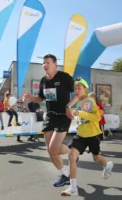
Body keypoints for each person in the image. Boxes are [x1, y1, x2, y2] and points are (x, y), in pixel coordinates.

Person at [23, 54, 78, 187]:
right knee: (51, 151)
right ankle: (65, 174)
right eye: (43, 63)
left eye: (48, 62)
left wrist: (68, 106)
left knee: (53, 148)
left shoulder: (65, 77)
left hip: (63, 115)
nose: (45, 65)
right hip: (50, 116)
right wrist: (31, 97)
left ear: (55, 64)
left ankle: (72, 152)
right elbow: (41, 98)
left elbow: (79, 94)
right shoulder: (43, 80)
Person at [61, 77, 113, 196]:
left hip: (93, 135)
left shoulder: (90, 101)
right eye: (75, 88)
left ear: (86, 89)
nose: (76, 90)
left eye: (79, 88)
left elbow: (96, 118)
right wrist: (77, 120)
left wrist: (81, 113)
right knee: (72, 156)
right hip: (81, 135)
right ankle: (73, 187)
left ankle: (107, 166)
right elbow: (81, 118)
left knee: (96, 158)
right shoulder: (79, 102)